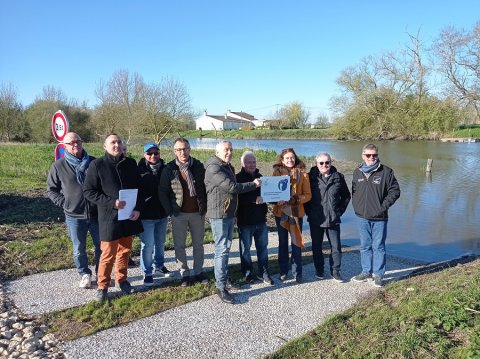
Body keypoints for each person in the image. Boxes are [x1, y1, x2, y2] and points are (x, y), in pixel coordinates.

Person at [83, 133, 144, 302]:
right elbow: (88, 191)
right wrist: (111, 203)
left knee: (124, 251)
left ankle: (122, 280)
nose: (116, 145)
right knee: (108, 253)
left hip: (129, 215)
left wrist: (138, 209)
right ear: (105, 146)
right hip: (109, 217)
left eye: (118, 142)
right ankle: (103, 286)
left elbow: (140, 188)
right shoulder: (97, 165)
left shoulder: (130, 163)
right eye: (112, 142)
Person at [204, 141, 261, 304]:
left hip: (227, 213)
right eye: (225, 150)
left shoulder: (226, 165)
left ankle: (224, 279)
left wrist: (234, 212)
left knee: (226, 247)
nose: (229, 152)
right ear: (217, 151)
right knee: (221, 249)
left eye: (230, 149)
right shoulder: (214, 167)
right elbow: (231, 187)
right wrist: (254, 184)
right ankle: (221, 286)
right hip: (219, 214)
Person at [47, 132, 101, 289]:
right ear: (65, 147)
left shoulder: (94, 163)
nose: (75, 144)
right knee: (78, 248)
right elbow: (51, 190)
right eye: (71, 142)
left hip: (96, 214)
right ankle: (84, 274)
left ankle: (101, 273)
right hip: (74, 216)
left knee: (102, 246)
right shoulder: (58, 166)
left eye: (78, 141)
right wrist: (65, 203)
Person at [159, 137, 208, 287]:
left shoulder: (198, 166)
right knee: (179, 245)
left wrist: (204, 207)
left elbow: (206, 188)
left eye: (185, 148)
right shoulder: (169, 169)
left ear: (189, 149)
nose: (183, 152)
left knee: (198, 244)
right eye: (179, 149)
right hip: (178, 214)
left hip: (197, 213)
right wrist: (170, 212)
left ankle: (198, 271)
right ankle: (184, 273)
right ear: (174, 151)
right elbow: (162, 192)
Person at [351, 144, 400, 287]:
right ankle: (366, 271)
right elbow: (354, 191)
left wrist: (382, 207)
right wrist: (357, 206)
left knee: (378, 246)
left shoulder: (386, 172)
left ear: (377, 155)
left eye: (374, 155)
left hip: (380, 218)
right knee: (365, 245)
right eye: (368, 155)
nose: (371, 158)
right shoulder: (357, 172)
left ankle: (378, 274)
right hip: (361, 217)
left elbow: (395, 192)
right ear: (363, 156)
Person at [305, 152, 351, 283]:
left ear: (331, 162)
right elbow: (306, 198)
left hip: (333, 218)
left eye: (327, 162)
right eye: (321, 163)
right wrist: (310, 212)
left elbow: (346, 196)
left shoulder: (338, 177)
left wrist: (339, 211)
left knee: (336, 247)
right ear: (316, 164)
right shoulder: (310, 178)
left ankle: (335, 271)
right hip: (316, 219)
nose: (324, 165)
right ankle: (319, 270)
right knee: (316, 247)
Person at [272, 148, 311, 283]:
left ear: (296, 158)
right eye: (287, 158)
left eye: (292, 157)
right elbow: (272, 192)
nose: (290, 160)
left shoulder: (303, 174)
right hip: (280, 212)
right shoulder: (276, 173)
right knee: (282, 243)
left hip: (296, 213)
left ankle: (297, 273)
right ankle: (283, 271)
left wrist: (295, 199)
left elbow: (308, 195)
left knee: (296, 243)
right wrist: (277, 200)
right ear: (282, 160)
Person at [236, 150, 274, 285]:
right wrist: (253, 199)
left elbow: (268, 195)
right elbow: (237, 199)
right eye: (248, 162)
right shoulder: (237, 178)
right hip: (245, 221)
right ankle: (247, 272)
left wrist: (276, 198)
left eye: (253, 162)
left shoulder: (261, 177)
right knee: (245, 249)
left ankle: (264, 272)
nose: (251, 164)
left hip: (261, 220)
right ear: (242, 163)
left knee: (263, 248)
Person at [138, 143, 171, 287]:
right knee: (147, 245)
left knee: (160, 242)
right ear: (144, 154)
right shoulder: (139, 170)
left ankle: (159, 266)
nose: (153, 156)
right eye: (149, 153)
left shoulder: (165, 169)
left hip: (162, 213)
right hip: (146, 214)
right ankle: (147, 271)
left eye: (155, 153)